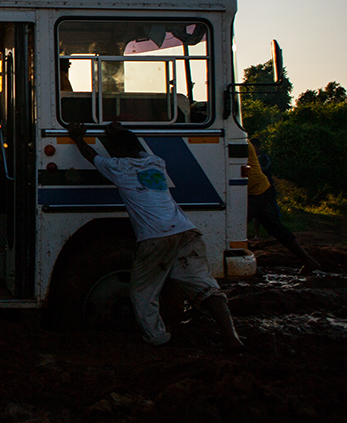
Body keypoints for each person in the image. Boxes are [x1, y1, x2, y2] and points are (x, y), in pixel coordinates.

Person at [67, 122, 242, 348]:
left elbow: (90, 154)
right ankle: (231, 337)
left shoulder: (118, 168)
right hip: (185, 232)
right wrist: (119, 134)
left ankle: (158, 339)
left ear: (117, 151)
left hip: (154, 238)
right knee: (206, 288)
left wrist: (77, 137)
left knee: (142, 293)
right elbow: (132, 151)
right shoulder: (156, 162)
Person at [247, 138, 320, 273]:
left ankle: (252, 266)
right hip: (258, 189)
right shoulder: (239, 138)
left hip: (256, 191)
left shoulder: (238, 140)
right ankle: (308, 260)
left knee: (234, 226)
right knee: (274, 227)